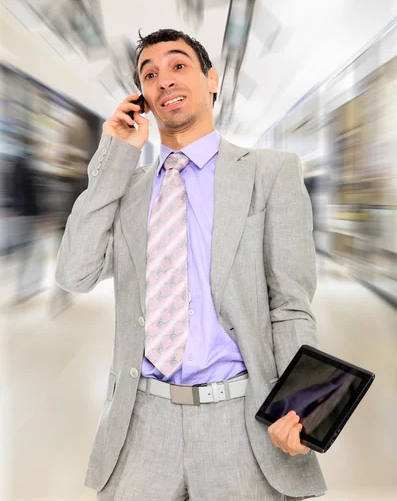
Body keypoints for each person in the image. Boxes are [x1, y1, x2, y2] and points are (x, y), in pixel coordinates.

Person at [55, 28, 327, 501]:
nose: (164, 80)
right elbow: (75, 273)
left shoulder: (270, 172)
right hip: (141, 424)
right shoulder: (129, 187)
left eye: (179, 65)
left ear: (211, 79)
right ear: (143, 96)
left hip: (241, 420)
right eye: (150, 74)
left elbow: (290, 303)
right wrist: (116, 156)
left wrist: (304, 405)